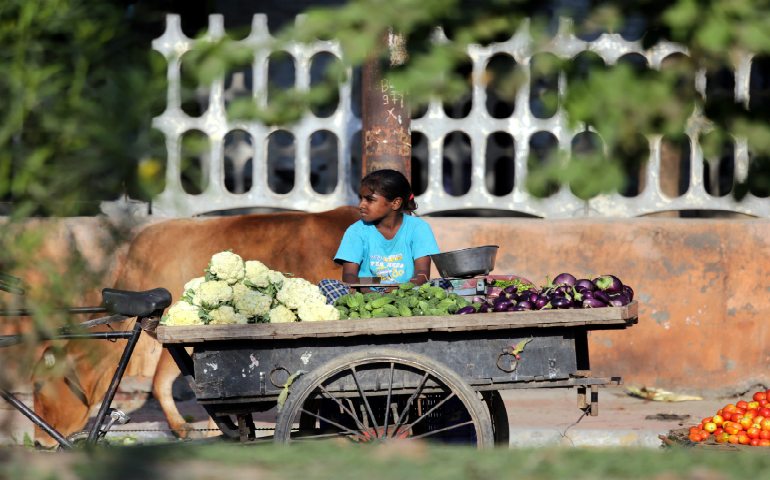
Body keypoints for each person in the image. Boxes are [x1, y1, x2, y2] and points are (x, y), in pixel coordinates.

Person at [318, 169, 444, 304]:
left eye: (370, 200)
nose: (361, 205)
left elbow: (422, 273)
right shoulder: (356, 231)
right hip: (365, 298)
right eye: (361, 198)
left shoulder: (418, 228)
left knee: (444, 285)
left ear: (396, 203)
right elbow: (349, 276)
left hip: (408, 296)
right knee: (326, 285)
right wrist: (371, 294)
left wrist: (399, 289)